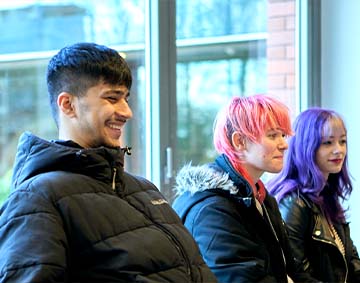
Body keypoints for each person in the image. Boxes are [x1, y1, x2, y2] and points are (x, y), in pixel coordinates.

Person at [0, 42, 217, 283]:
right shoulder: (37, 199)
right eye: (112, 98)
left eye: (125, 98)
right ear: (68, 105)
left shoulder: (144, 189)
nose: (127, 111)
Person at [172, 94, 317, 283]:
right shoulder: (212, 210)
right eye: (273, 135)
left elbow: (292, 272)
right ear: (239, 141)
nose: (283, 144)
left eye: (283, 135)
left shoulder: (261, 197)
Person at [268, 107, 360, 283]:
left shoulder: (327, 197)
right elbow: (296, 274)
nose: (338, 150)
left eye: (342, 141)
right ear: (306, 146)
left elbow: (352, 261)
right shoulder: (294, 202)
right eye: (327, 143)